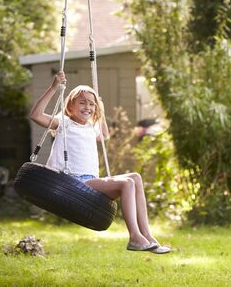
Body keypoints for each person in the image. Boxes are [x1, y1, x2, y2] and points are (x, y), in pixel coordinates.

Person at [29, 71, 170, 254]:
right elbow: (36, 115)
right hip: (71, 180)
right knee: (126, 183)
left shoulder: (90, 126)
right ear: (70, 106)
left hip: (90, 181)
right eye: (82, 102)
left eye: (91, 104)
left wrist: (100, 108)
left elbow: (104, 135)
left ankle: (148, 236)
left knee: (135, 177)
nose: (88, 107)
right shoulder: (63, 122)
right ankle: (134, 236)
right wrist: (54, 87)